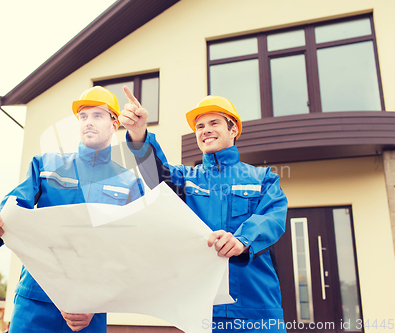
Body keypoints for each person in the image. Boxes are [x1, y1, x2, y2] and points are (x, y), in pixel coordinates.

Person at [0, 86, 144, 333]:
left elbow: (132, 249)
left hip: (90, 310)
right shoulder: (45, 165)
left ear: (114, 124)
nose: (88, 122)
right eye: (83, 116)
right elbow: (13, 209)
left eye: (98, 115)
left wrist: (95, 301)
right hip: (35, 300)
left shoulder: (129, 183)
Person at [120, 86, 288, 332]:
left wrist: (242, 240)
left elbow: (272, 217)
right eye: (199, 126)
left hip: (257, 309)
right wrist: (139, 134)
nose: (206, 130)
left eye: (214, 123)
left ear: (234, 130)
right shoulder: (186, 179)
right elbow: (156, 175)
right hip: (204, 310)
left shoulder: (263, 178)